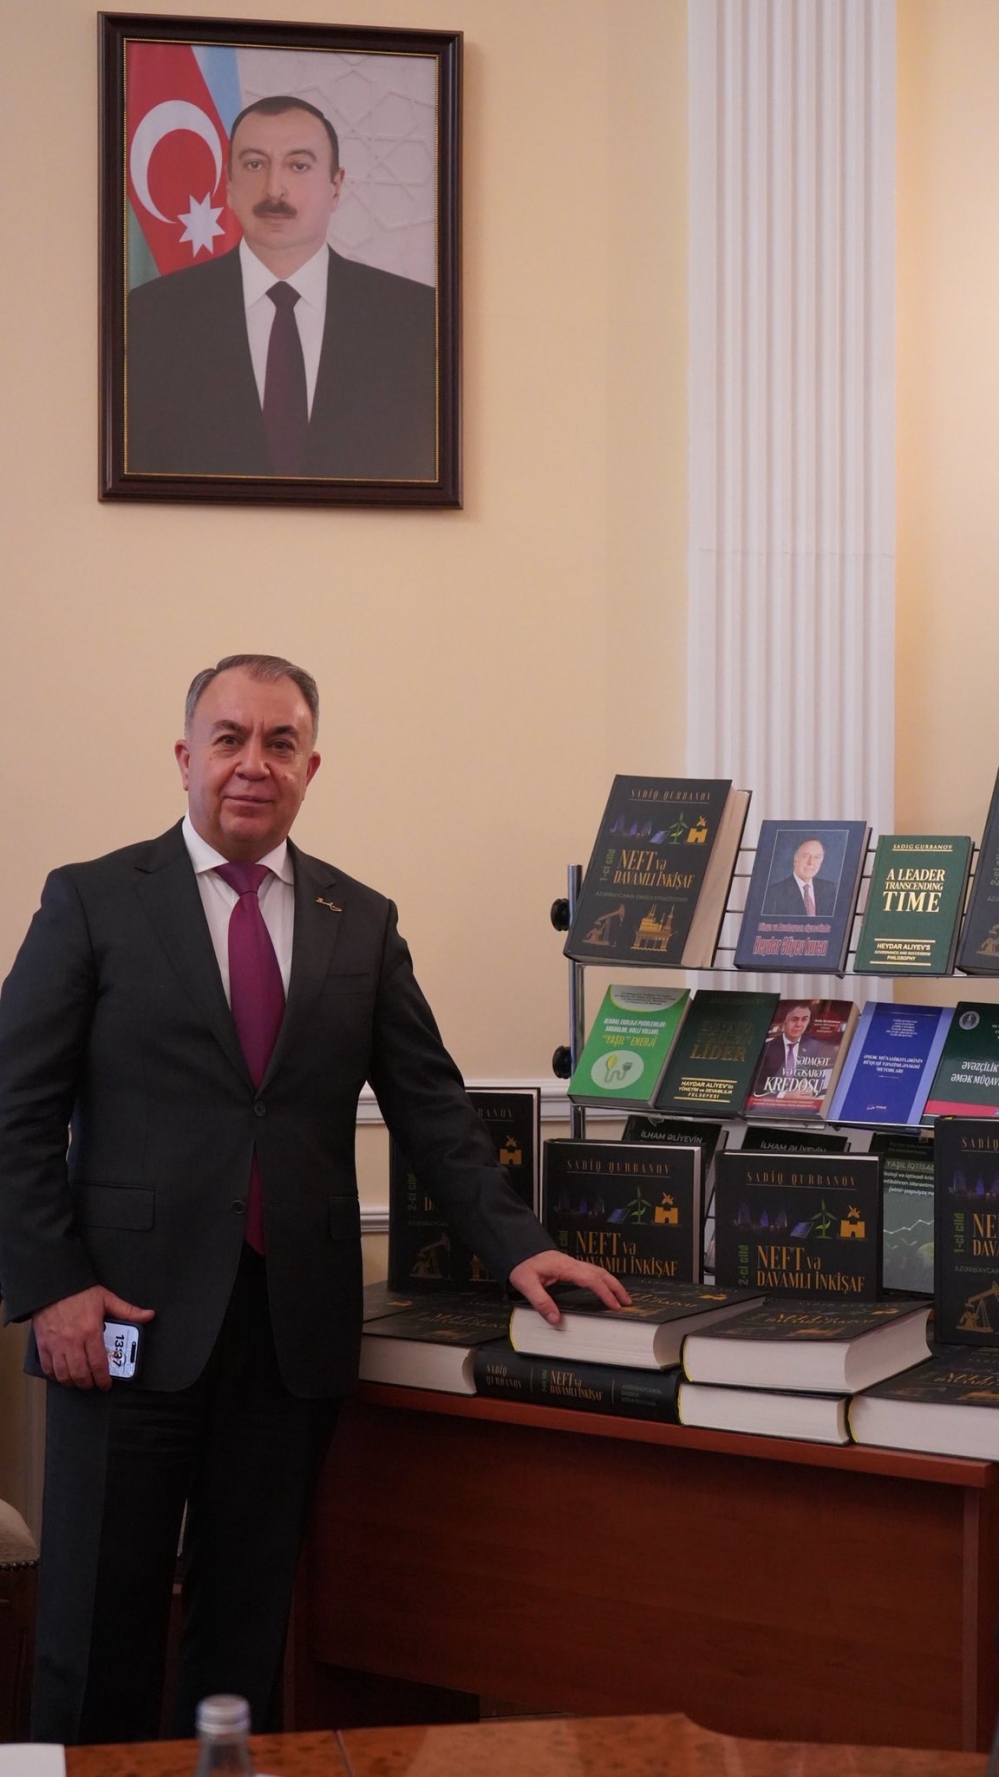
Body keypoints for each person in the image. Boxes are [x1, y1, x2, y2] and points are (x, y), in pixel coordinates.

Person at [0, 654, 628, 1745]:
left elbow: (431, 1109)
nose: (254, 763)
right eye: (230, 738)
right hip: (120, 1325)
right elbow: (14, 1107)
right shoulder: (93, 900)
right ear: (185, 757)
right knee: (97, 1629)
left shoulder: (359, 920)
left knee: (246, 1634)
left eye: (279, 742)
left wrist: (518, 1245)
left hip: (289, 1333)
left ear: (311, 766)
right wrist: (54, 1286)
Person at [126, 97, 436, 481]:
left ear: (336, 186)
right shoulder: (150, 316)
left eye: (298, 166)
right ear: (229, 184)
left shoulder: (419, 319)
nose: (274, 190)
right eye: (255, 165)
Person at [763, 837, 837, 916]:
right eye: (806, 856)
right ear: (795, 859)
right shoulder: (775, 892)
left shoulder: (828, 888)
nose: (811, 862)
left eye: (816, 857)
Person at [755, 1003, 825, 1082]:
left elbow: (818, 1076)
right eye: (794, 1019)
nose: (798, 1025)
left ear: (808, 1022)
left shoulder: (812, 1045)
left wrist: (809, 1087)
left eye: (804, 1019)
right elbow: (758, 1083)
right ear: (785, 1022)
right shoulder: (766, 1048)